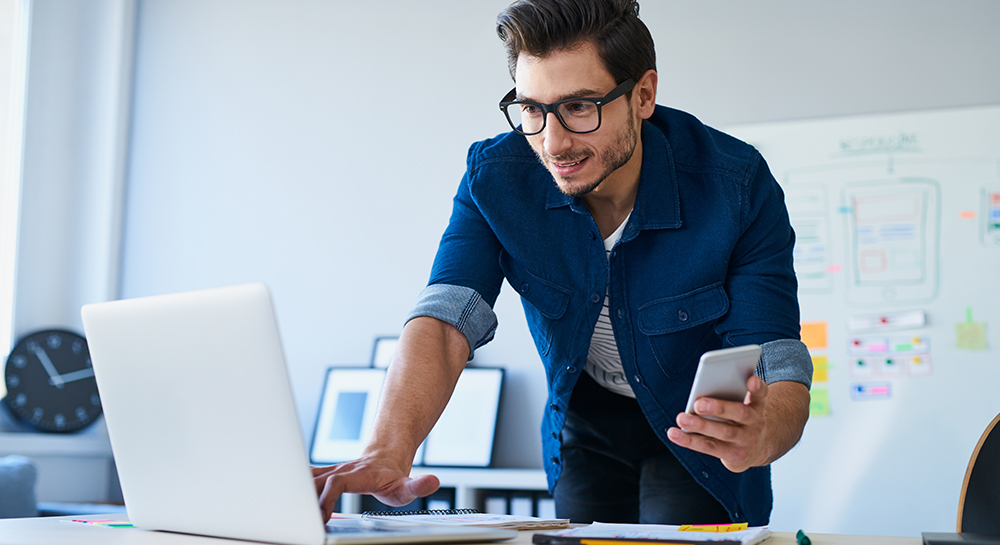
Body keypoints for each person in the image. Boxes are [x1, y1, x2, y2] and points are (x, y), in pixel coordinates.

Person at [312, 0, 812, 526]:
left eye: (579, 107)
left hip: (696, 429)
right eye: (531, 108)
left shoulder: (736, 186)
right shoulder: (495, 179)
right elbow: (445, 318)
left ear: (643, 95)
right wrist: (387, 450)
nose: (552, 142)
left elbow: (776, 358)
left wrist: (765, 432)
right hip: (585, 423)